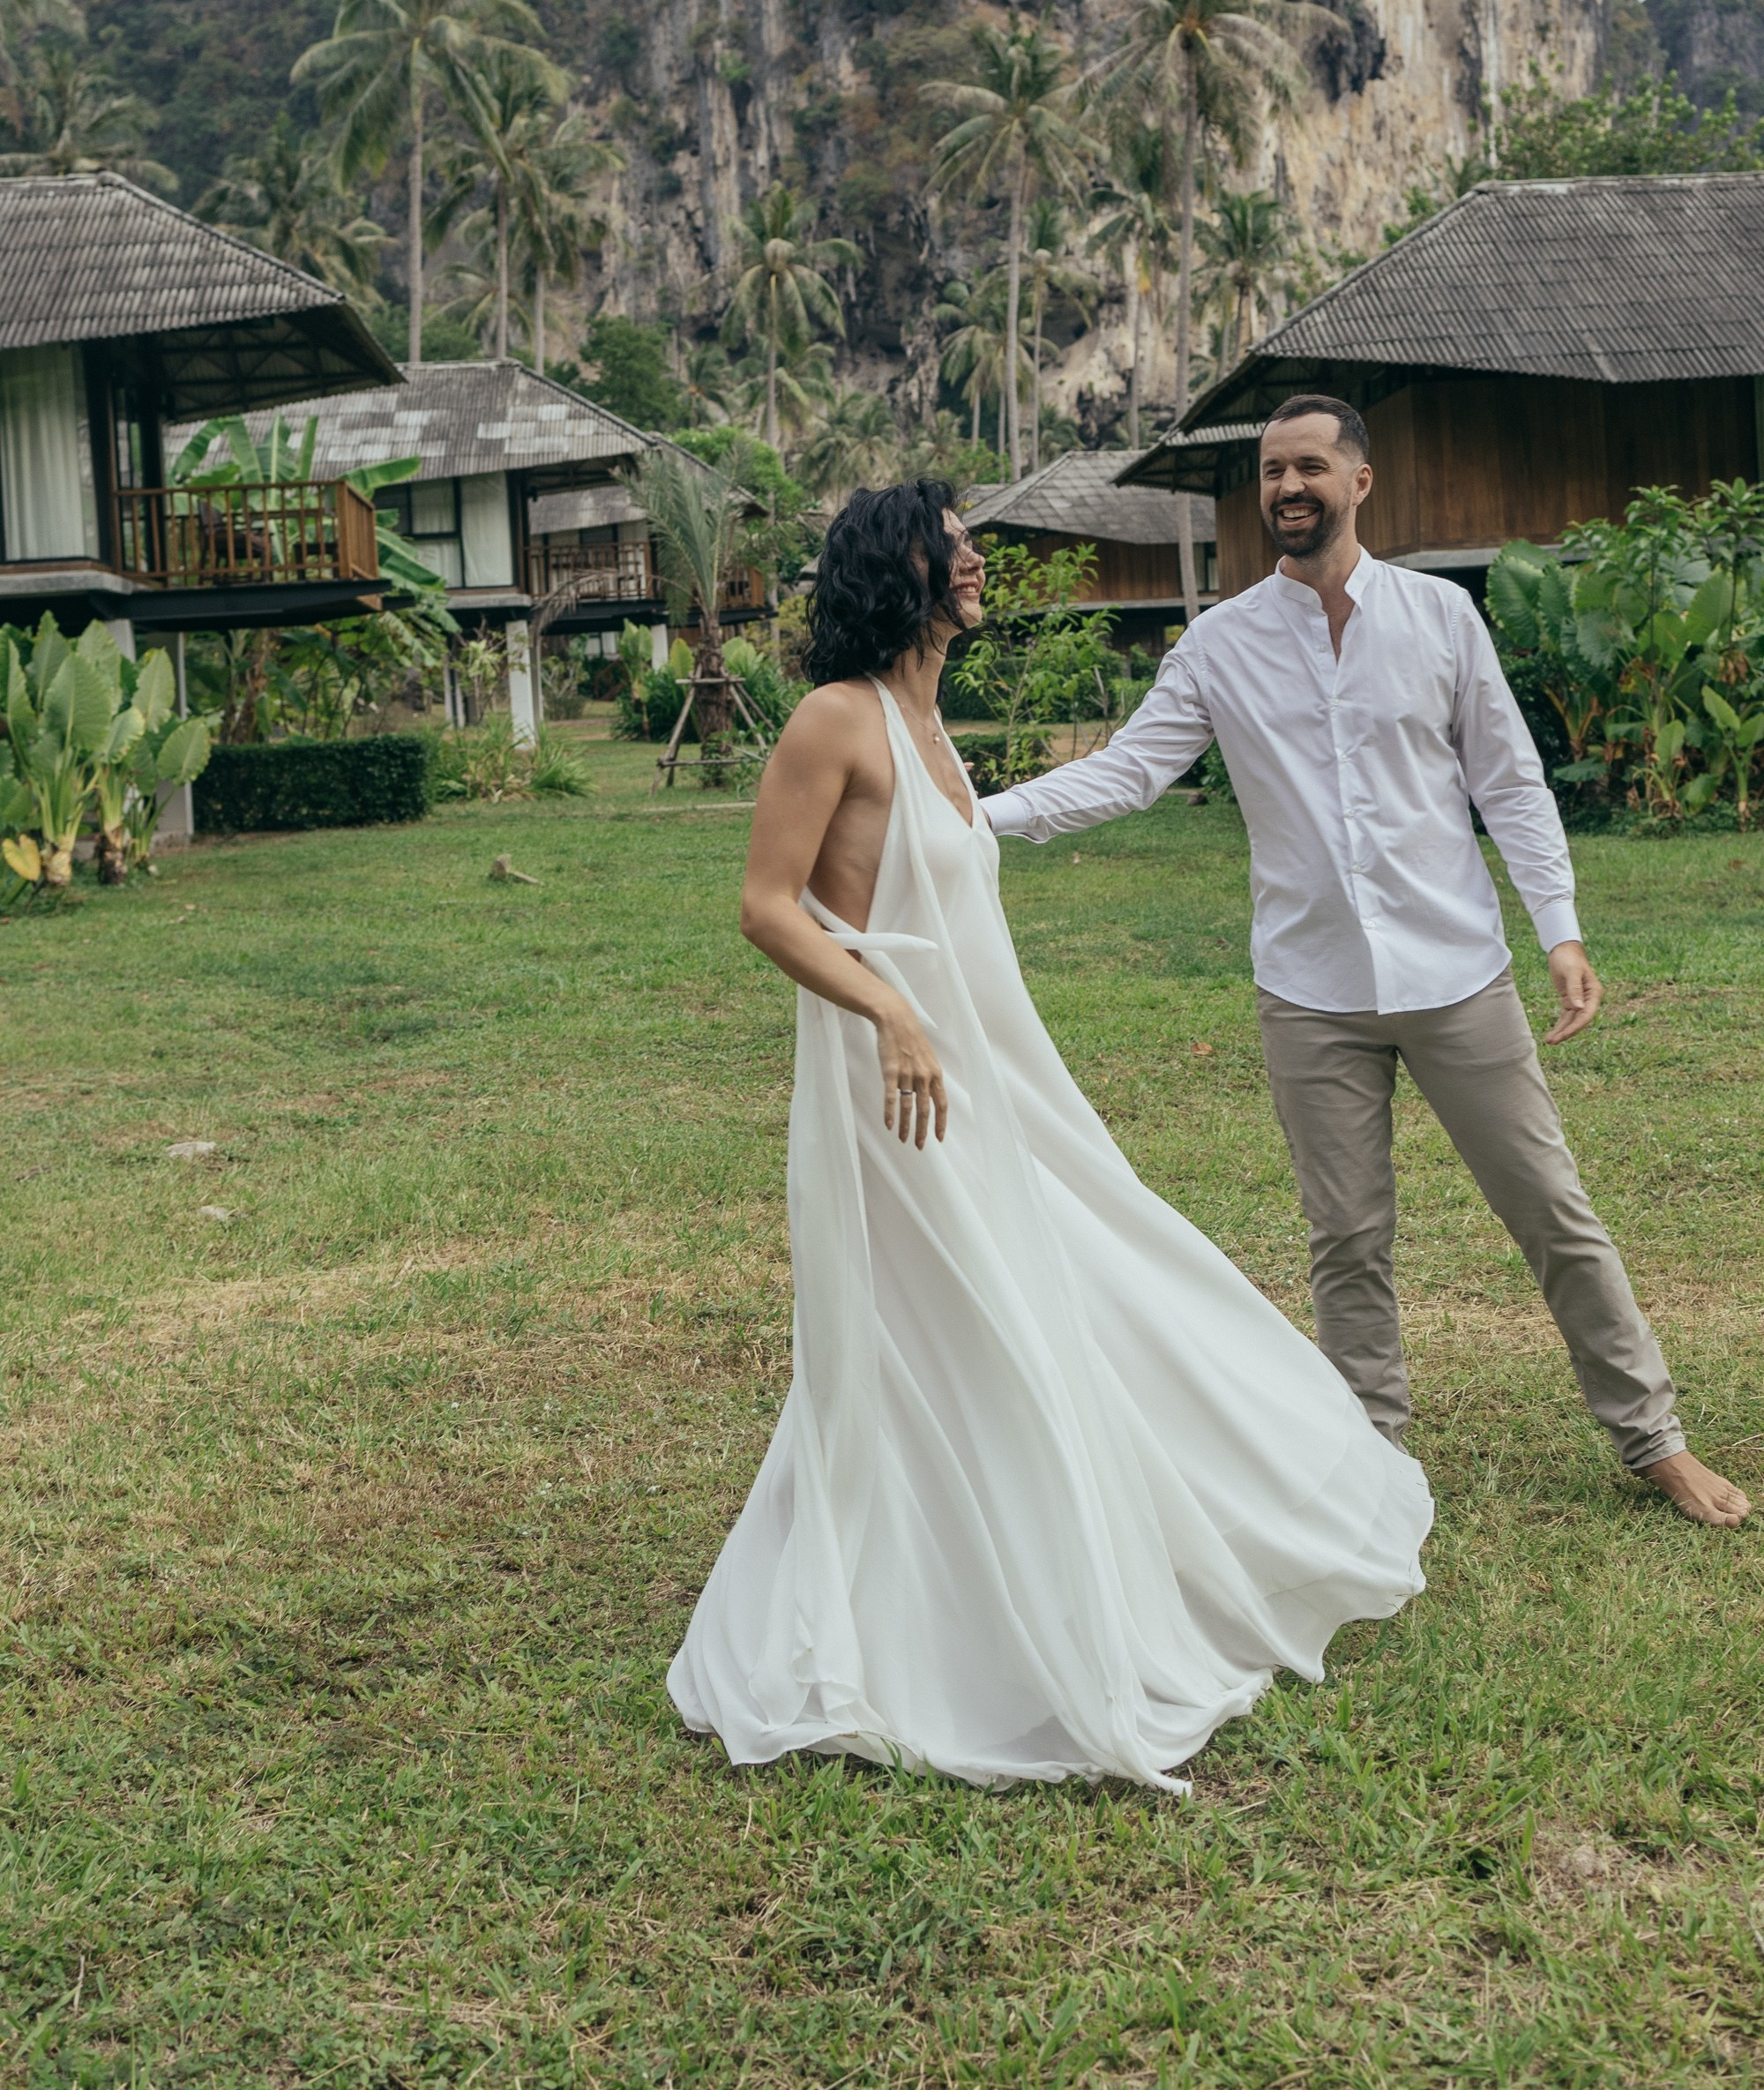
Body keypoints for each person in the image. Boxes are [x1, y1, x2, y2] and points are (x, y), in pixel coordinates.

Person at [669, 480, 1432, 1792]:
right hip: (895, 1089)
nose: (975, 564)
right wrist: (890, 1012)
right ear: (895, 569)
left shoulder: (929, 725)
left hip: (985, 1077)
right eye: (953, 547)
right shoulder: (833, 720)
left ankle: (1044, 1565)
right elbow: (767, 908)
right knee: (975, 1328)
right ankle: (963, 1626)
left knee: (1088, 1282)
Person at [985, 394, 1749, 1532]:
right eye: (1270, 472)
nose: (1287, 489)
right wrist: (970, 814)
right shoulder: (1220, 643)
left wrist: (1561, 929)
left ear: (1360, 481)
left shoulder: (1441, 617)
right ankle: (1371, 1461)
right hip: (1313, 993)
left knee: (1555, 1213)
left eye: (1308, 468)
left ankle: (1652, 1442)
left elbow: (1508, 781)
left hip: (1458, 977)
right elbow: (1127, 774)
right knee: (1347, 1241)